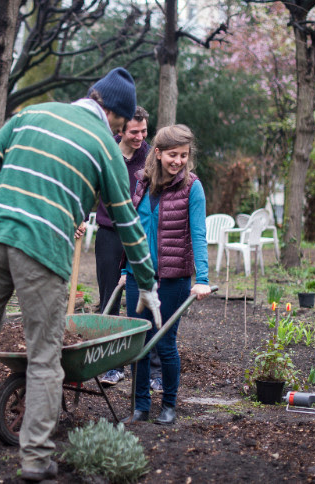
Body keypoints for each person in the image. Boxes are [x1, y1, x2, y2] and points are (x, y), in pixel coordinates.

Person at [0, 67, 162, 481]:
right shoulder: (103, 144)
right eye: (124, 120)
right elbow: (128, 221)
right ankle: (35, 459)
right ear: (116, 114)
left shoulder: (32, 114)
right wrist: (147, 283)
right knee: (45, 358)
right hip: (41, 249)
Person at [122, 124, 212, 425]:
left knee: (164, 343)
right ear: (157, 153)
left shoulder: (192, 187)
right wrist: (125, 269)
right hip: (139, 276)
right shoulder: (142, 184)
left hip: (173, 278)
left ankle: (169, 405)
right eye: (173, 154)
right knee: (138, 342)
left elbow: (199, 235)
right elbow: (133, 231)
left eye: (184, 155)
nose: (178, 161)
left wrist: (202, 280)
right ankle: (140, 406)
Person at [95, 107, 161, 389]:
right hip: (110, 233)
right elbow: (89, 186)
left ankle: (152, 370)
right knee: (109, 299)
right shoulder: (106, 150)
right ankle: (111, 366)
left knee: (146, 298)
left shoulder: (150, 156)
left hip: (140, 235)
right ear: (121, 129)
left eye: (144, 131)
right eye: (135, 132)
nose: (141, 136)